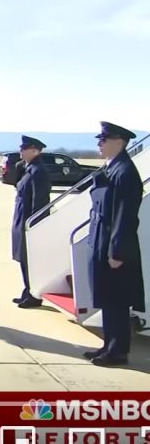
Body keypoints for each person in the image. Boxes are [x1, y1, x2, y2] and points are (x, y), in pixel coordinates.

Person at [83, 122, 144, 366]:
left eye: (103, 140)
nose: (99, 144)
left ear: (119, 142)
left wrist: (117, 251)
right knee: (107, 298)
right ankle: (108, 345)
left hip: (115, 247)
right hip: (102, 241)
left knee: (117, 300)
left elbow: (124, 215)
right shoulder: (112, 168)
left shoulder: (125, 172)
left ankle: (118, 351)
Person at [11, 135, 51, 308]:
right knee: (23, 259)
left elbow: (40, 201)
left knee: (30, 261)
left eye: (24, 148)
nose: (21, 151)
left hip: (29, 222)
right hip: (21, 219)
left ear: (35, 151)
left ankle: (34, 295)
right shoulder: (28, 169)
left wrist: (35, 226)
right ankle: (27, 291)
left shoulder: (38, 171)